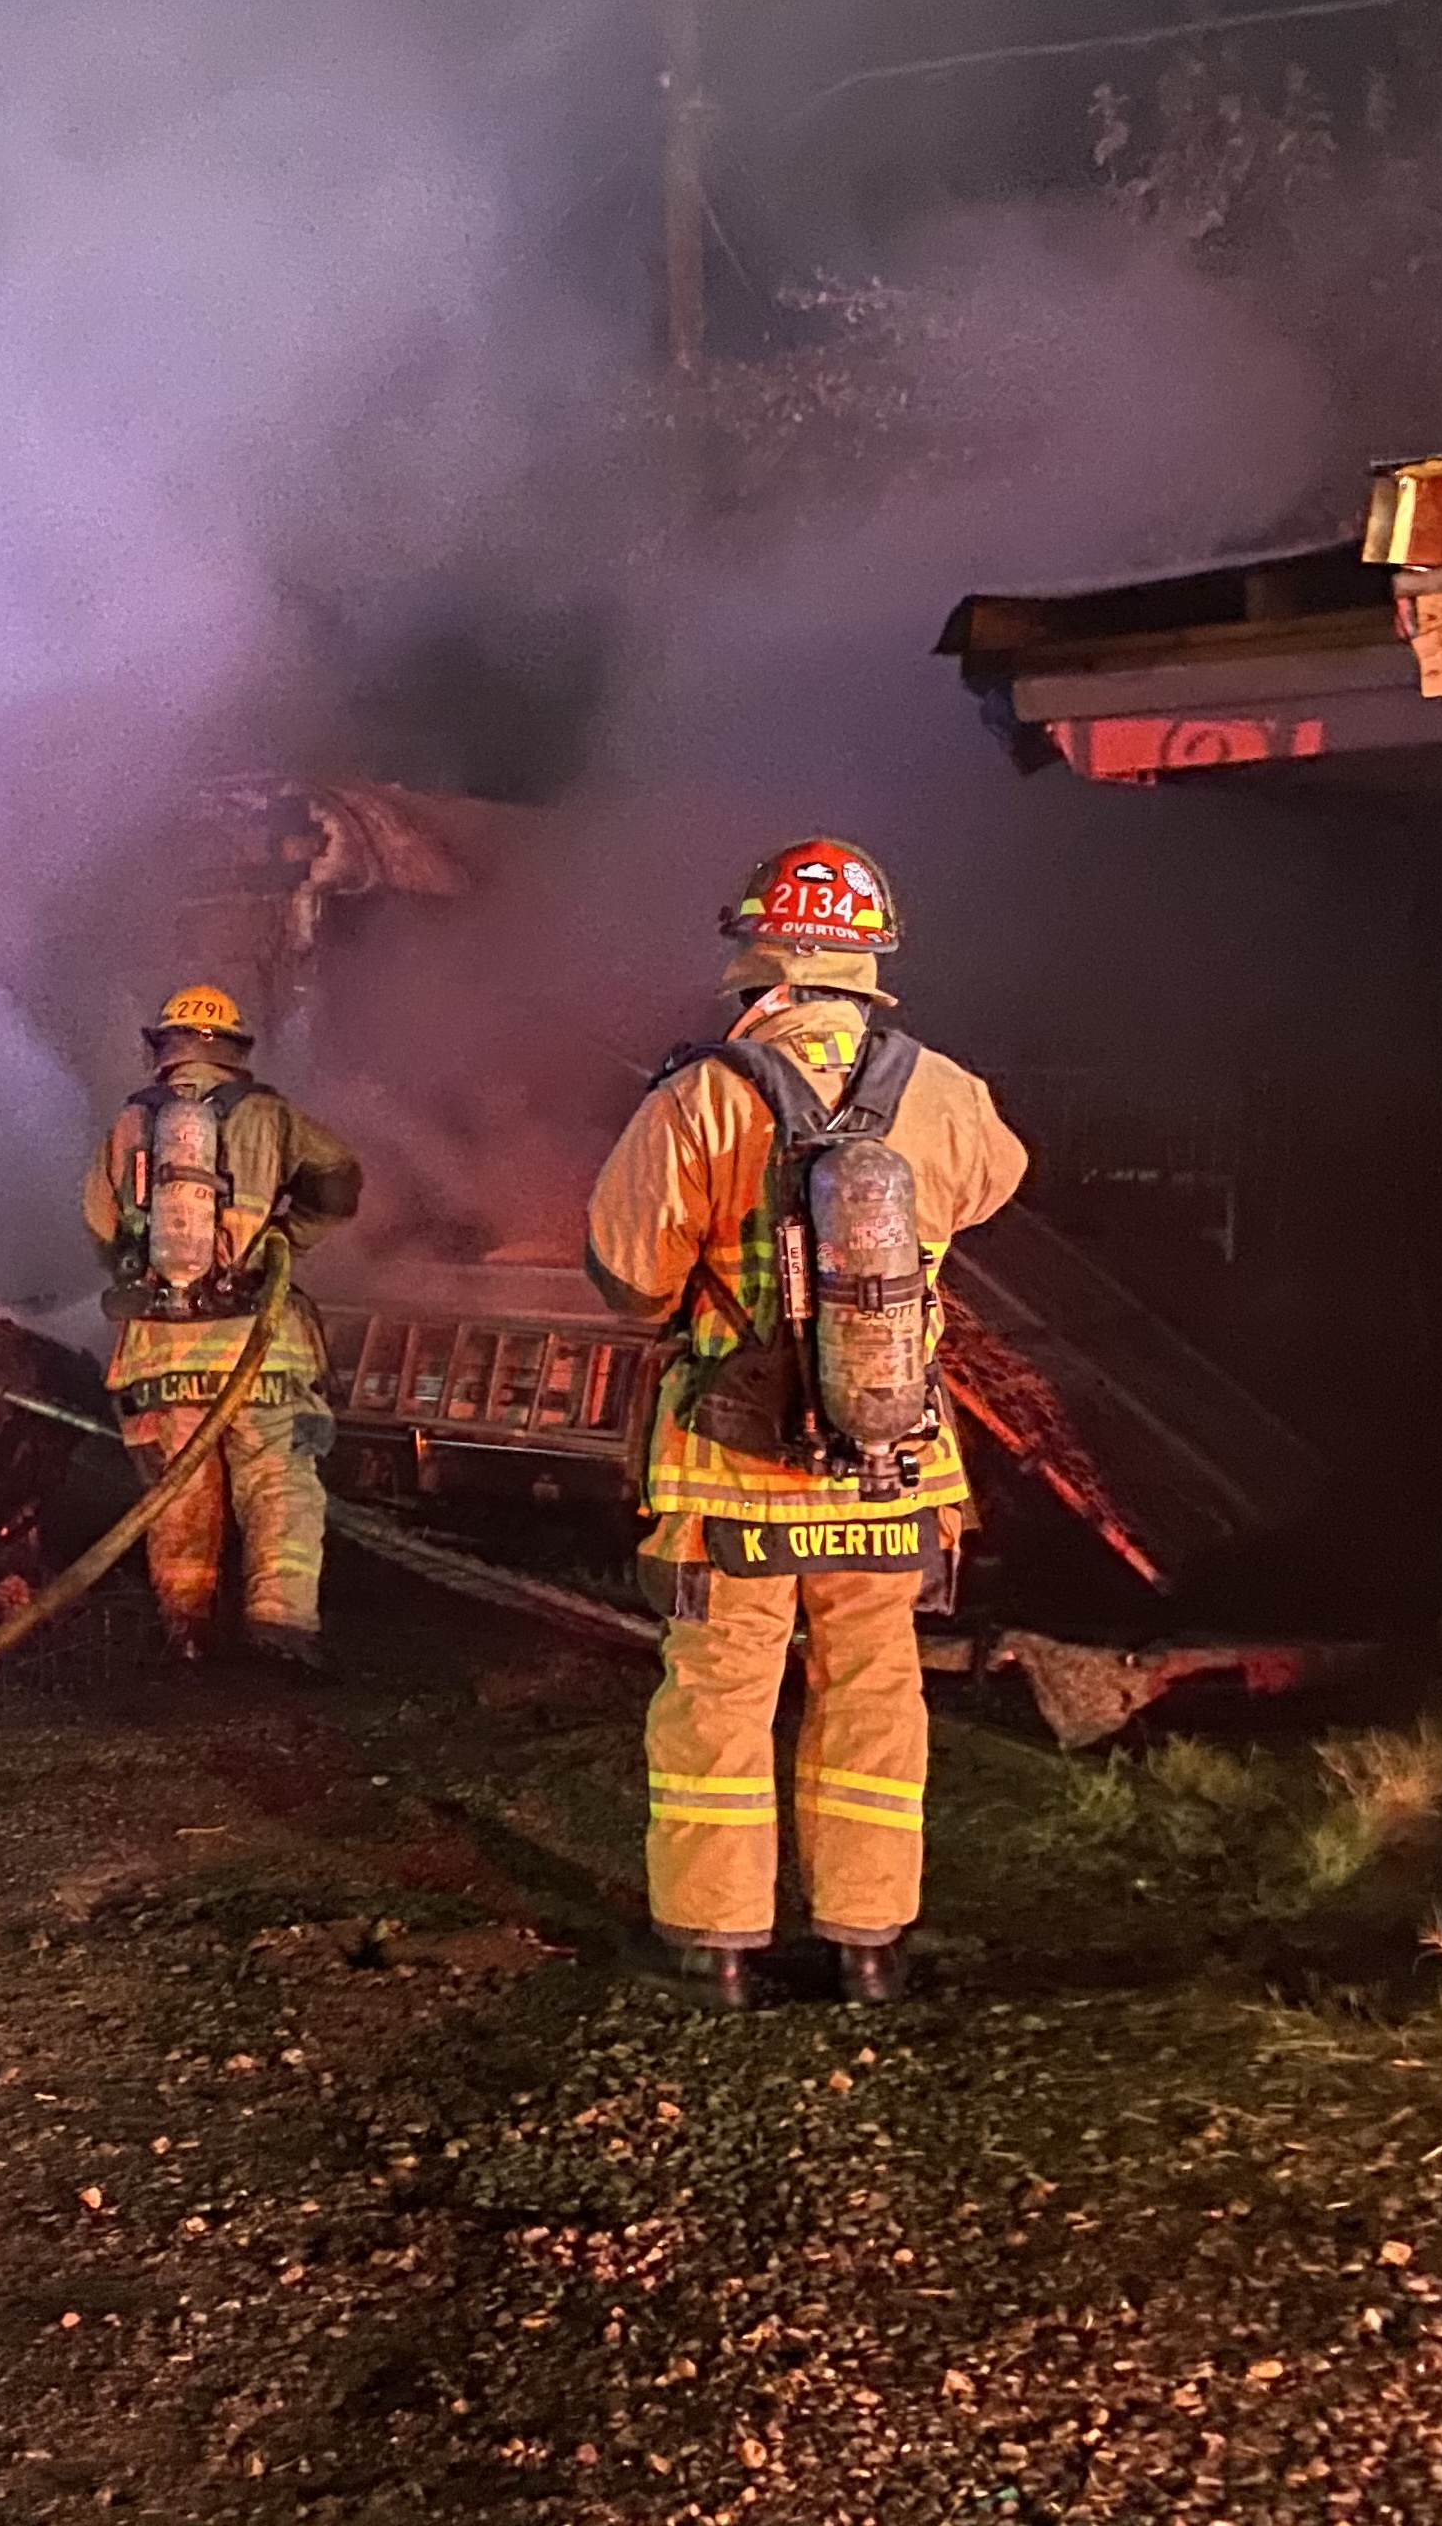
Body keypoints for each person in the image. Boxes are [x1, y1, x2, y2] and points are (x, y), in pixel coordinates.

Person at [585, 839, 1027, 2009]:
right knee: (876, 1690)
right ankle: (869, 1944)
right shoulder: (945, 1091)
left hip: (731, 1471)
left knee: (721, 1697)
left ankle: (714, 1946)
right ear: (869, 957)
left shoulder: (702, 1096)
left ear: (758, 954)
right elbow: (991, 1186)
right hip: (891, 1468)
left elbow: (630, 1276)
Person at [83, 982, 364, 1666]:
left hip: (160, 1356)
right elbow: (340, 1182)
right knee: (278, 1485)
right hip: (258, 1351)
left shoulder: (130, 1123)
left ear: (163, 1048)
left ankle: (186, 1633)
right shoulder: (269, 1113)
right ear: (237, 1049)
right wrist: (284, 1239)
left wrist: (145, 1266)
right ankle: (281, 1627)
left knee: (177, 1494)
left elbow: (101, 1228)